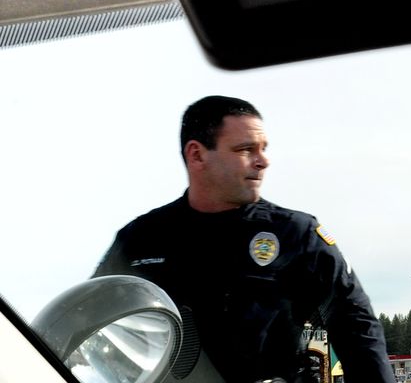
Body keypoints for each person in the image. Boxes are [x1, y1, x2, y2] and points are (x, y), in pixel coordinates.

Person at [94, 96, 392, 383]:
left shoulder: (297, 236)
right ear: (196, 155)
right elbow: (88, 324)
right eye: (246, 149)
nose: (263, 161)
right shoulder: (140, 240)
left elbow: (357, 329)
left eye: (263, 148)